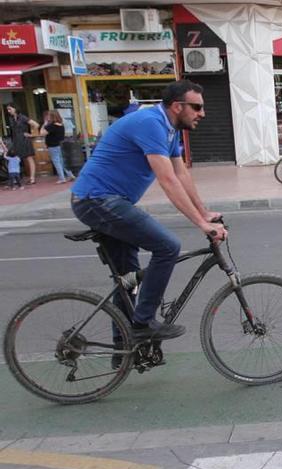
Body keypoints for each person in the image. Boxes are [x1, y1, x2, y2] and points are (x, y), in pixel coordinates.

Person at [70, 79, 227, 347]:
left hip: (111, 201)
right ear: (178, 106)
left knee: (127, 279)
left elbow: (181, 173)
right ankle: (143, 323)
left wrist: (205, 212)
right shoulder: (151, 123)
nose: (202, 113)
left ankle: (123, 348)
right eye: (197, 107)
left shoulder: (171, 129)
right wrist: (200, 224)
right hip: (96, 200)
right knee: (168, 246)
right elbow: (167, 180)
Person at [5, 104, 39, 185]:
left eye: (10, 109)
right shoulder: (11, 118)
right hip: (16, 141)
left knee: (29, 158)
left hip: (24, 140)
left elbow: (36, 124)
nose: (8, 111)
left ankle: (32, 178)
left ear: (15, 108)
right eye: (8, 109)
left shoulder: (23, 117)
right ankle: (16, 178)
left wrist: (31, 134)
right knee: (16, 159)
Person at [40, 110, 76, 183]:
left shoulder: (51, 126)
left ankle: (62, 178)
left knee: (57, 162)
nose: (48, 117)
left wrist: (44, 124)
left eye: (49, 115)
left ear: (52, 116)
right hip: (61, 145)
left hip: (53, 146)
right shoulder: (61, 125)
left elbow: (41, 133)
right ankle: (70, 175)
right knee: (63, 162)